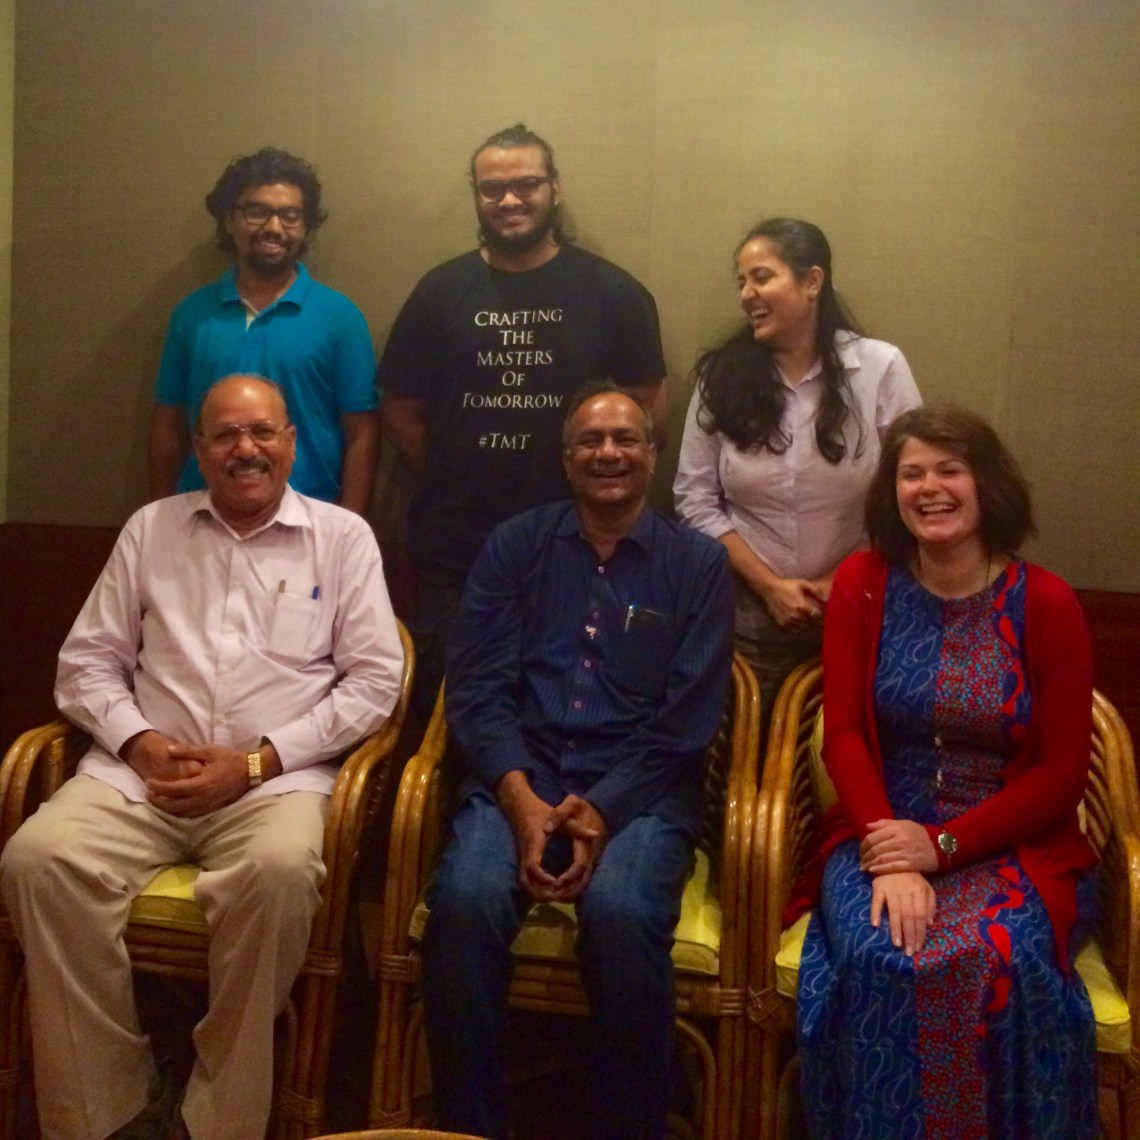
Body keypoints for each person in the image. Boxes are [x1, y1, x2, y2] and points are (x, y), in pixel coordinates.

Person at [0, 375, 405, 1140]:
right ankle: (108, 1107)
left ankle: (216, 1116)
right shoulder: (151, 529)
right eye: (225, 435)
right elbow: (85, 664)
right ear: (198, 448)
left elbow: (375, 684)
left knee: (280, 873)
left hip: (271, 787)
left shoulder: (342, 539)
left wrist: (257, 764)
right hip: (139, 781)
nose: (245, 449)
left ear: (291, 443)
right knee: (37, 860)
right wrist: (140, 743)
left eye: (262, 432)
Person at [420, 385, 734, 1140]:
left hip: (644, 791)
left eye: (626, 439)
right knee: (463, 901)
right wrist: (519, 798)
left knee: (622, 914)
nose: (608, 453)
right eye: (590, 441)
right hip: (519, 775)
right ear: (566, 461)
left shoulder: (697, 565)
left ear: (652, 455)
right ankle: (468, 1127)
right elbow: (477, 688)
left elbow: (687, 721)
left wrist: (604, 807)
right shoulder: (516, 547)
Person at [793, 405, 1097, 1138]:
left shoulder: (1046, 601)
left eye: (949, 470)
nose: (929, 488)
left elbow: (1061, 774)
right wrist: (893, 854)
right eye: (911, 474)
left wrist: (943, 847)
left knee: (998, 956)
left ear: (986, 484)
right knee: (882, 951)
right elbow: (845, 737)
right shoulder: (864, 583)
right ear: (892, 492)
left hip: (1011, 842)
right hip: (876, 832)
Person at [378, 123, 667, 714]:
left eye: (526, 184)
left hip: (586, 548)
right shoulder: (439, 293)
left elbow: (645, 409)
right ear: (477, 196)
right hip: (457, 552)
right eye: (492, 188)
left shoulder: (614, 293)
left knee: (574, 714)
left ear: (555, 188)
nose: (509, 199)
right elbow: (400, 408)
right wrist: (459, 467)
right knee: (452, 719)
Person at [674, 217, 921, 716]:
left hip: (858, 611)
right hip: (743, 626)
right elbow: (693, 499)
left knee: (842, 751)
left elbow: (911, 491)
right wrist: (769, 588)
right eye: (741, 282)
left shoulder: (879, 368)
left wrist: (834, 585)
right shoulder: (721, 376)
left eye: (761, 277)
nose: (747, 294)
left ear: (812, 281)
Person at [148, 147, 379, 513]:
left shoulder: (341, 318)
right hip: (202, 515)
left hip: (311, 519)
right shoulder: (190, 315)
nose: (274, 228)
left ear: (306, 227)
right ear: (229, 220)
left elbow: (361, 434)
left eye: (290, 216)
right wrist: (162, 519)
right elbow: (169, 427)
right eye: (256, 211)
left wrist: (351, 526)